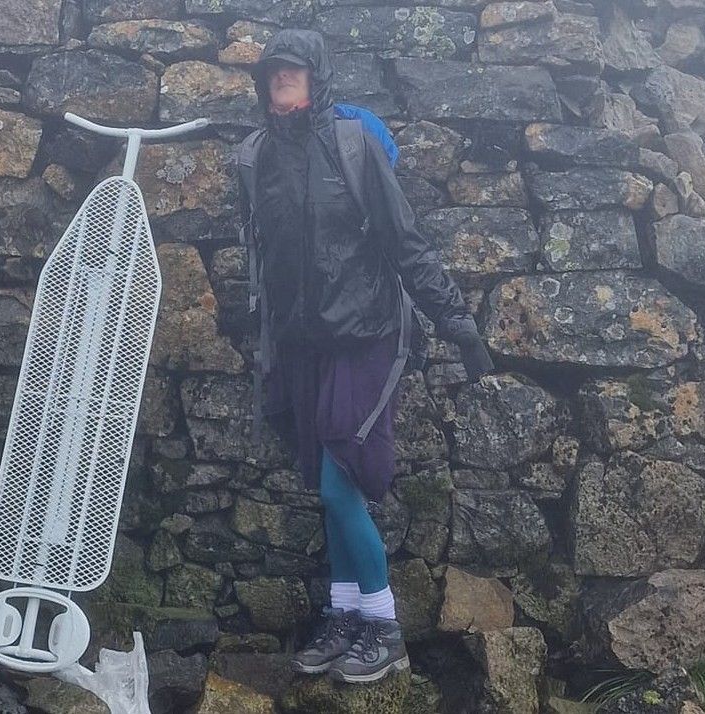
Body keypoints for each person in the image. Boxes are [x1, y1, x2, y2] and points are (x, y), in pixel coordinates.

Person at [235, 29, 494, 684]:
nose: (277, 83)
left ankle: (383, 626)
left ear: (317, 77)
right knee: (328, 489)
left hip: (366, 334)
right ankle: (344, 613)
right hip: (302, 345)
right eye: (270, 74)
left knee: (336, 479)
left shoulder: (352, 146)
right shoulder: (258, 156)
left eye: (290, 72)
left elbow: (404, 240)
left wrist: (457, 321)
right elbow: (262, 260)